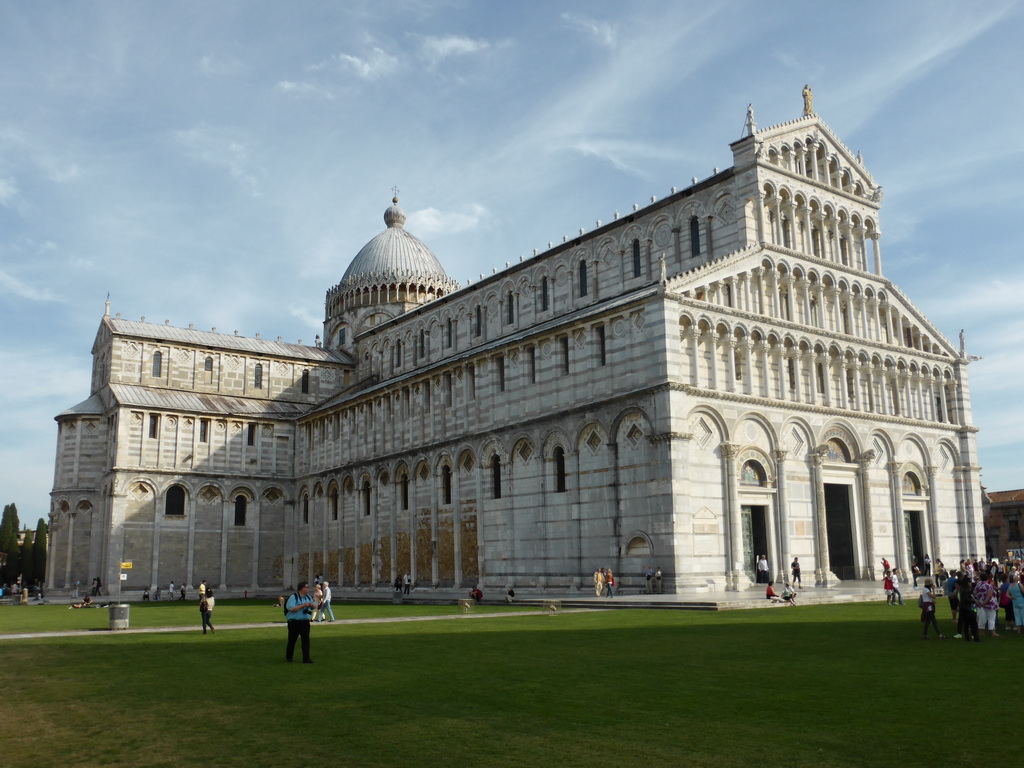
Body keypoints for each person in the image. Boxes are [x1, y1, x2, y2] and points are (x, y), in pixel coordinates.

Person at [284, 581, 315, 663]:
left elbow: (314, 605)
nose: (308, 589)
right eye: (307, 587)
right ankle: (289, 657)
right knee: (292, 640)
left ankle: (306, 658)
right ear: (302, 588)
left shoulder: (308, 597)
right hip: (294, 622)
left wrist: (312, 605)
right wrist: (303, 605)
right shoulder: (294, 597)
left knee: (306, 641)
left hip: (305, 622)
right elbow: (291, 608)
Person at [974, 572, 999, 637]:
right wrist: (984, 603)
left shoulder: (978, 585)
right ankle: (992, 632)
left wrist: (979, 602)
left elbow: (974, 593)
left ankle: (981, 631)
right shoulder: (989, 586)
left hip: (980, 603)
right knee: (991, 618)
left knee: (981, 618)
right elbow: (989, 596)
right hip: (990, 604)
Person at [957, 575, 979, 642]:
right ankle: (975, 638)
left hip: (963, 608)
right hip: (968, 608)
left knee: (966, 624)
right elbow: (967, 599)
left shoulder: (962, 589)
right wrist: (974, 601)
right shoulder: (966, 590)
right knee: (973, 624)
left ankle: (967, 637)